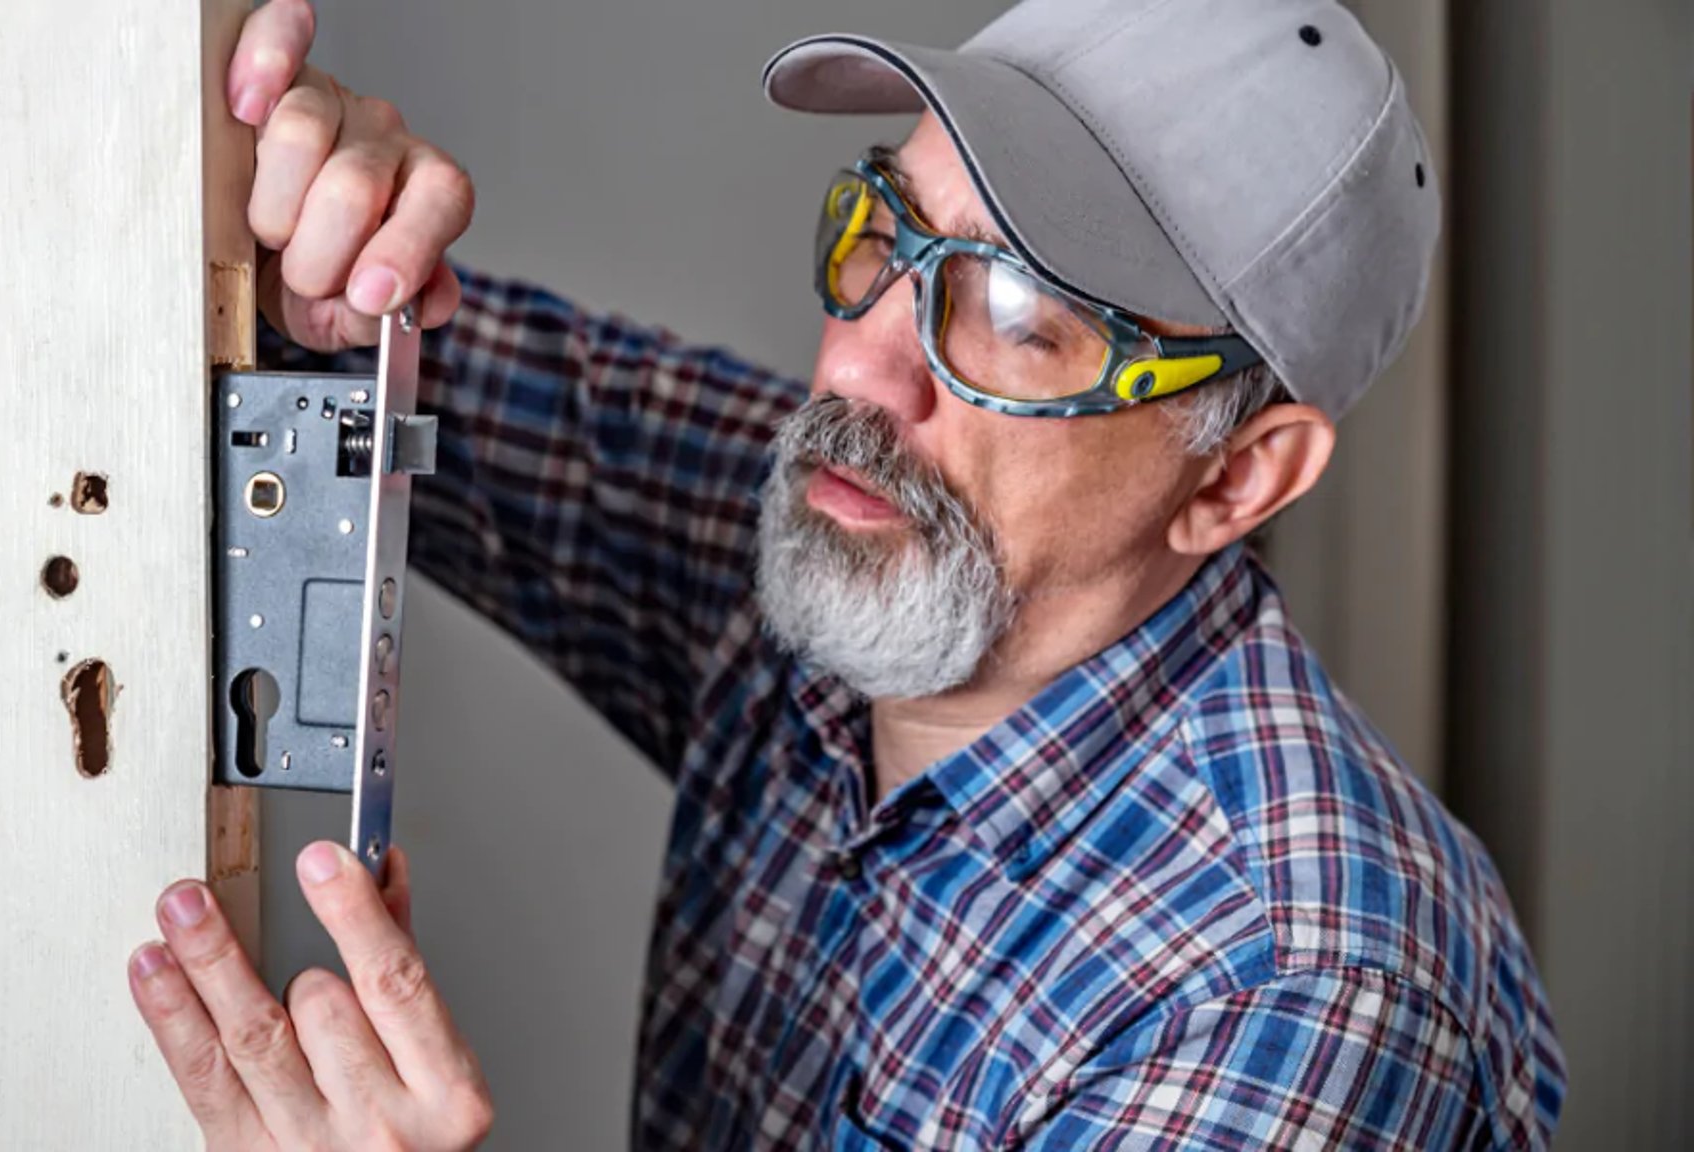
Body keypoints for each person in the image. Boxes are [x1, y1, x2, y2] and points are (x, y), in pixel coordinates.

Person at [125, 0, 1566, 1147]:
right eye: (886, 231)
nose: (864, 368)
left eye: (1015, 313)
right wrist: (319, 257)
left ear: (1237, 478)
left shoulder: (1289, 992)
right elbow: (404, 361)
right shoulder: (869, 532)